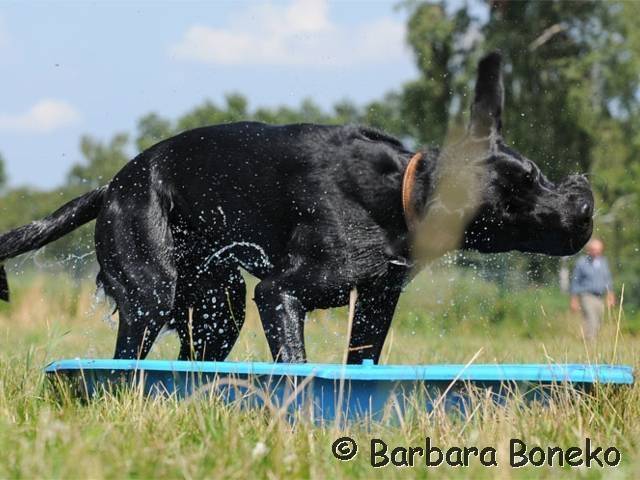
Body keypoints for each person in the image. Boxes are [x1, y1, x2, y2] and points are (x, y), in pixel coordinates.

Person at [570, 238, 615, 340]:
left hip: (599, 297)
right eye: (594, 249)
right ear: (588, 250)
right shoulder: (581, 263)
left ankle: (589, 340)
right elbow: (575, 282)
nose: (596, 252)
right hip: (586, 295)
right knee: (591, 319)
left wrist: (610, 295)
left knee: (599, 320)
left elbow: (608, 279)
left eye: (599, 249)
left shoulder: (603, 262)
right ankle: (590, 343)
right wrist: (574, 300)